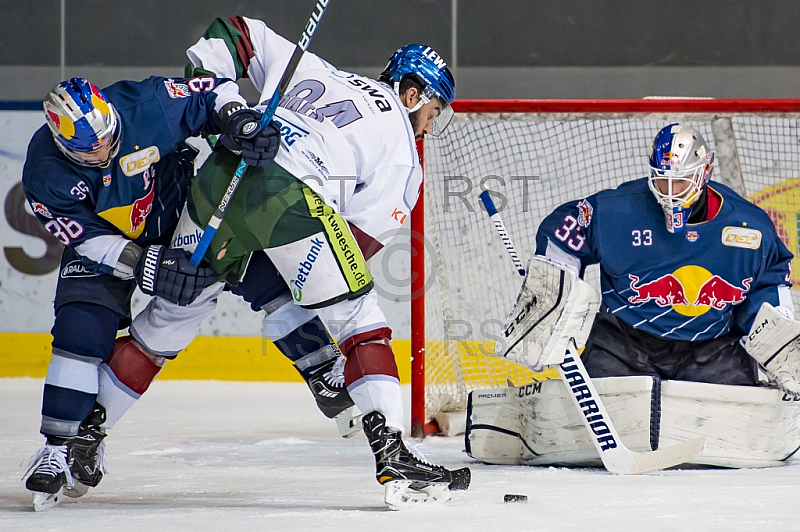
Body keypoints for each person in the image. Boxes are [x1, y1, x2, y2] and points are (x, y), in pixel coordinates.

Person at [125, 16, 470, 508]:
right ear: (412, 94)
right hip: (292, 199)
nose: (431, 125)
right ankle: (392, 452)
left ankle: (78, 437)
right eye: (434, 110)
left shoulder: (315, 68)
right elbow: (357, 242)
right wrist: (300, 269)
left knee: (173, 311)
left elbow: (233, 29)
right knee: (359, 317)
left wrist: (228, 108)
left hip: (219, 176)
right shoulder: (401, 150)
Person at [466, 122, 800, 469]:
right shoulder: (617, 211)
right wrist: (553, 288)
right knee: (581, 434)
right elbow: (565, 228)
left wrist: (780, 335)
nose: (670, 191)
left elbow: (770, 280)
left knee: (737, 444)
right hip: (624, 343)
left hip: (712, 349)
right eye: (661, 180)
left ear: (704, 173)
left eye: (681, 181)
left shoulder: (750, 228)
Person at [20, 74, 280, 510]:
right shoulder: (44, 169)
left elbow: (213, 93)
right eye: (89, 149)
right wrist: (142, 265)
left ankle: (325, 368)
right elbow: (82, 236)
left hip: (179, 217)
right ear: (61, 142)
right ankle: (56, 448)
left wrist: (238, 122)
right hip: (107, 242)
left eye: (107, 139)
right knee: (79, 335)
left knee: (261, 274)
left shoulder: (146, 105)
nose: (102, 151)